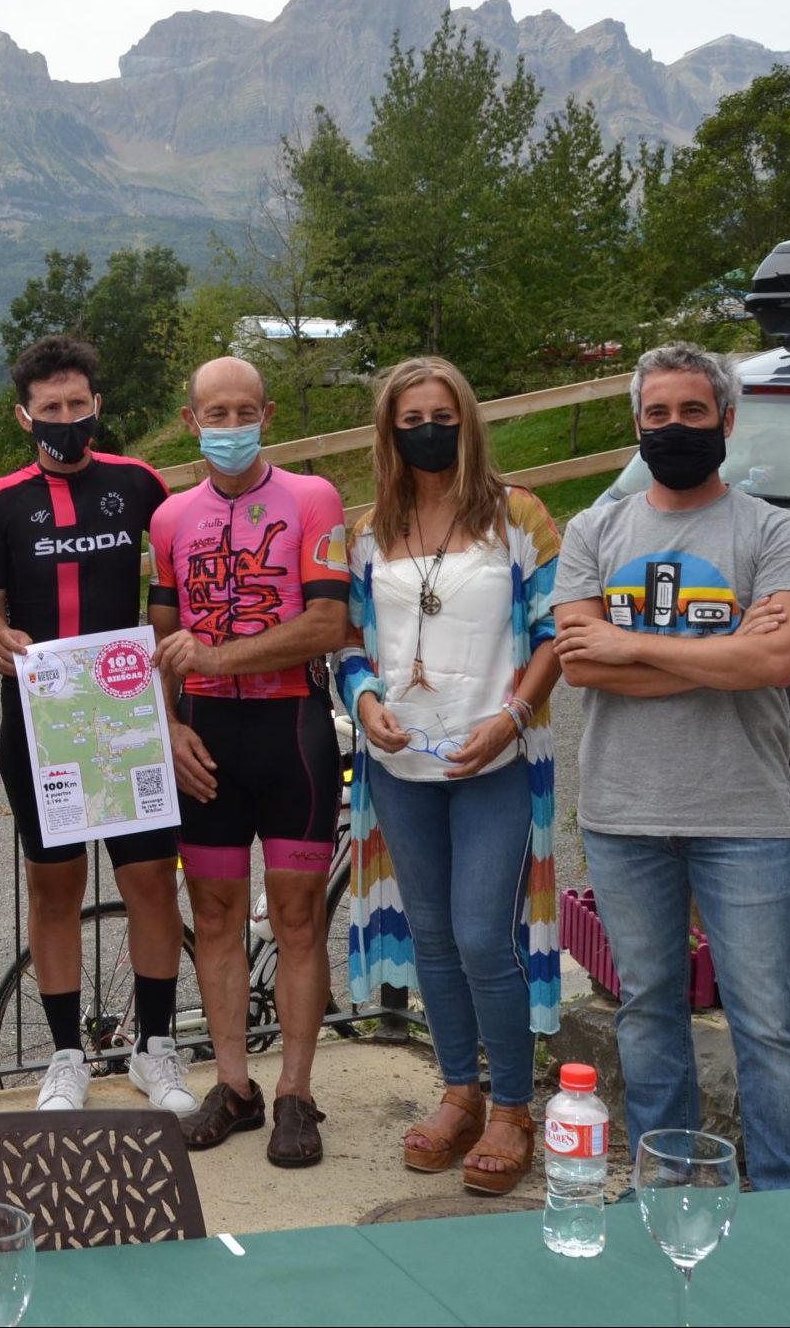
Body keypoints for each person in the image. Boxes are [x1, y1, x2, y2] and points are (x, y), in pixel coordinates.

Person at [553, 341, 790, 1189]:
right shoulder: (593, 529)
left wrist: (632, 643)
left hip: (744, 817)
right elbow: (579, 665)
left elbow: (775, 664)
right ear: (637, 424)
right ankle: (666, 1185)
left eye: (693, 412)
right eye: (658, 414)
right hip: (624, 812)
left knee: (768, 1023)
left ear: (727, 422)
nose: (675, 427)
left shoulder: (774, 530)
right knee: (648, 1011)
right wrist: (720, 650)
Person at [334, 357, 563, 1196]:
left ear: (466, 420)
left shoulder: (520, 517)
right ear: (389, 432)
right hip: (400, 761)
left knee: (479, 935)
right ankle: (459, 1091)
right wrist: (362, 704)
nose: (426, 429)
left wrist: (513, 717)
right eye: (409, 418)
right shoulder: (365, 530)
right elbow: (348, 642)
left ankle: (512, 1106)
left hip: (493, 756)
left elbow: (552, 637)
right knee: (431, 934)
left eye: (441, 414)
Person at [0, 335, 190, 1114]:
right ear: (24, 416)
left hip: (129, 717)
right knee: (55, 889)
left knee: (149, 886)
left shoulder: (139, 484)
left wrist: (176, 703)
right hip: (42, 726)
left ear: (96, 406)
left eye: (77, 405)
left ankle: (156, 1048)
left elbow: (175, 588)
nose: (65, 419)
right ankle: (66, 1056)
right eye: (49, 409)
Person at [148, 356, 348, 1165]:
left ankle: (298, 1091)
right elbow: (160, 643)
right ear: (192, 422)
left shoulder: (312, 498)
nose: (231, 427)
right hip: (206, 743)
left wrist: (220, 658)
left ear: (265, 412)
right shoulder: (169, 518)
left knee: (299, 920)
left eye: (244, 412)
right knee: (219, 920)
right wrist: (168, 727)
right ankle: (234, 1085)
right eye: (215, 414)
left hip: (291, 730)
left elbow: (327, 624)